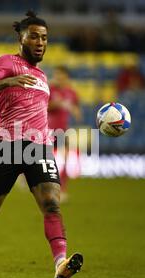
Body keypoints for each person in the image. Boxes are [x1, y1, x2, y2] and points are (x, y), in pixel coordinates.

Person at [0, 11, 83, 278]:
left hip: (39, 147)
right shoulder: (7, 62)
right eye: (34, 36)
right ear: (20, 38)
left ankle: (61, 263)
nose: (40, 42)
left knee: (51, 204)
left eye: (44, 38)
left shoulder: (43, 77)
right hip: (8, 147)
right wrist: (7, 81)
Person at [48, 66, 81, 202]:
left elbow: (76, 108)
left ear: (66, 77)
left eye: (61, 75)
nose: (58, 78)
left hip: (62, 131)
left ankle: (62, 190)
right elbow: (45, 107)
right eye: (56, 75)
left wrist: (76, 112)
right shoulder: (50, 90)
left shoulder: (71, 93)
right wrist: (59, 104)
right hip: (47, 130)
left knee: (65, 159)